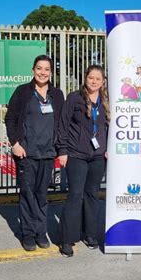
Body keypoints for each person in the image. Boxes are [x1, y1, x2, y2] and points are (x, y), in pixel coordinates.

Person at [5, 54, 65, 251]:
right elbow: (11, 119)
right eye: (39, 68)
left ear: (51, 72)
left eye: (46, 69)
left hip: (47, 153)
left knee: (41, 195)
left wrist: (60, 148)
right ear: (33, 70)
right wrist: (15, 143)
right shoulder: (23, 92)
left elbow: (62, 124)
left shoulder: (57, 95)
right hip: (26, 153)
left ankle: (41, 232)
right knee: (28, 194)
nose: (42, 72)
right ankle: (28, 234)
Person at [56, 65, 109, 257]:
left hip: (97, 157)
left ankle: (90, 234)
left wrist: (109, 147)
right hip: (76, 155)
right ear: (85, 78)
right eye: (91, 77)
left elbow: (111, 127)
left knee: (92, 195)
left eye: (98, 78)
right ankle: (67, 239)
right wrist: (62, 151)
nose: (94, 81)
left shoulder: (106, 100)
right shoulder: (74, 98)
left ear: (103, 81)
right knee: (75, 196)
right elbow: (62, 125)